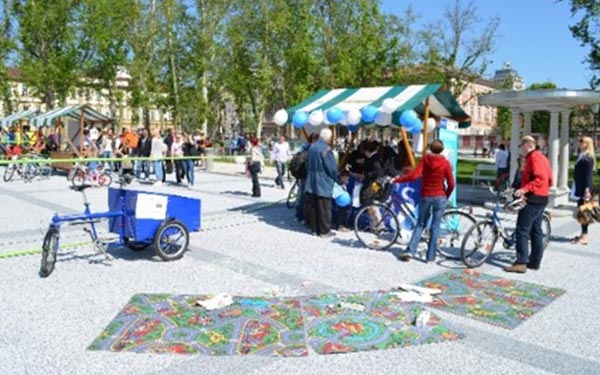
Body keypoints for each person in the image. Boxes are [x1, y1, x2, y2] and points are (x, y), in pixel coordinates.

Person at [393, 139, 455, 263]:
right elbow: (451, 183)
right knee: (435, 226)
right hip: (440, 196)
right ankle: (430, 257)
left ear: (430, 148)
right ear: (441, 150)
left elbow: (414, 176)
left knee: (420, 224)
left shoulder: (425, 160)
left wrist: (398, 180)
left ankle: (410, 250)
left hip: (426, 194)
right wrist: (445, 196)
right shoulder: (445, 163)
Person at [504, 135, 552, 273]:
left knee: (522, 230)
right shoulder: (543, 157)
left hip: (533, 199)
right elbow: (549, 179)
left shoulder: (533, 157)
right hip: (542, 198)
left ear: (526, 145)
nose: (520, 149)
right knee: (536, 230)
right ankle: (534, 262)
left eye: (521, 146)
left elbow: (540, 178)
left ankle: (521, 262)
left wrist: (525, 189)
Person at [305, 128, 338, 237]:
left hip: (311, 179)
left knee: (314, 205)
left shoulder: (312, 148)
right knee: (324, 206)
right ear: (328, 137)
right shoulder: (326, 149)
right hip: (323, 181)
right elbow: (331, 168)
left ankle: (314, 229)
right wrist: (335, 177)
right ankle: (324, 231)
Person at [571, 136, 595, 245]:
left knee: (584, 212)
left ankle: (584, 236)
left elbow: (588, 175)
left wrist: (587, 189)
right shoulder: (581, 156)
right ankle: (582, 234)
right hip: (579, 186)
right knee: (581, 212)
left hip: (584, 188)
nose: (579, 143)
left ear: (587, 144)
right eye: (579, 140)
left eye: (582, 141)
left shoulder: (588, 158)